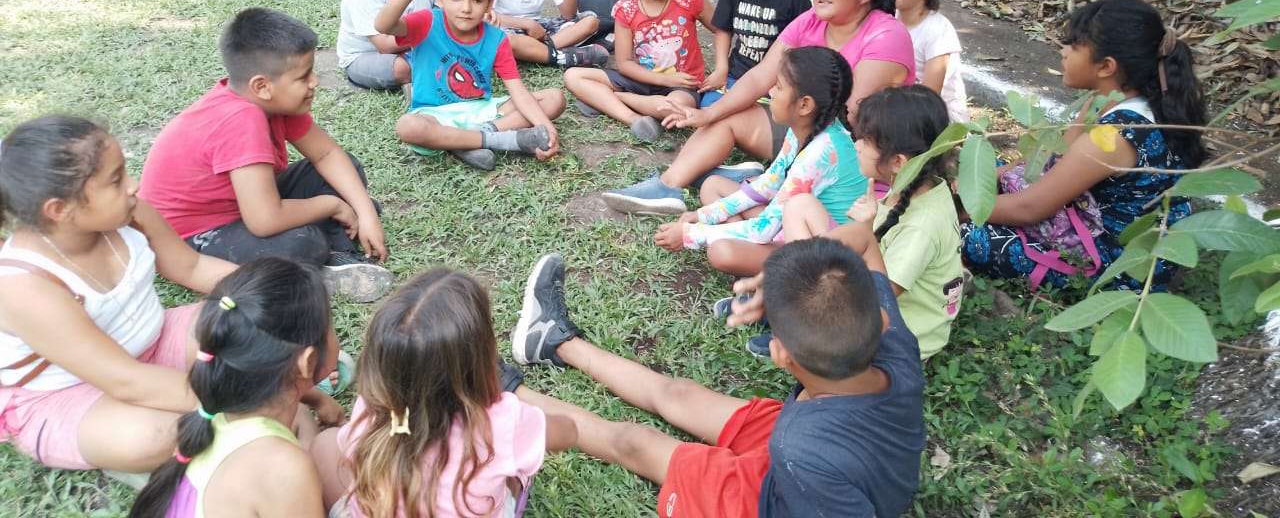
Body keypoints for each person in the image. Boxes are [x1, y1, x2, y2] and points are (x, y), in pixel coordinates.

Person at [506, 243, 925, 517]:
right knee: (679, 393)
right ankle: (554, 342)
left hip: (765, 501)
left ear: (779, 354)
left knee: (635, 443)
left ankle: (506, 395)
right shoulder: (897, 347)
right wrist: (787, 282)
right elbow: (865, 242)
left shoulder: (798, 446)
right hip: (824, 443)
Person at [0, 115, 237, 474]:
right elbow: (125, 380)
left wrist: (274, 284)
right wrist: (242, 399)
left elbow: (191, 267)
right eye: (116, 180)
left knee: (239, 317)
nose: (133, 185)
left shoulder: (129, 213)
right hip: (70, 393)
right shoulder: (25, 285)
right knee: (155, 435)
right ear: (59, 210)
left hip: (153, 345)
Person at [603, 0, 915, 214]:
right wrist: (708, 112)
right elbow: (761, 76)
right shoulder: (810, 21)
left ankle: (752, 191)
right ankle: (667, 187)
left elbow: (851, 115)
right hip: (804, 130)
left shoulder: (887, 34)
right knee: (728, 114)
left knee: (764, 201)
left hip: (856, 159)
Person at [140, 8, 393, 303]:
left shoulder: (272, 103)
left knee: (345, 167)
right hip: (192, 236)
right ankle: (321, 261)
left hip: (246, 204)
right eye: (303, 76)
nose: (315, 82)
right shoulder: (240, 119)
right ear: (262, 86)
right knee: (303, 242)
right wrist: (333, 205)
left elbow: (326, 153)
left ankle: (338, 252)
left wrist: (364, 212)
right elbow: (264, 220)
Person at [962, 0, 1208, 290]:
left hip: (1116, 262)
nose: (1062, 52)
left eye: (1073, 46)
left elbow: (1030, 208)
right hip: (1086, 219)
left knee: (964, 233)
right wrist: (988, 180)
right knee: (984, 172)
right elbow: (1049, 162)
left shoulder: (1113, 137)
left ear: (1106, 66)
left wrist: (957, 209)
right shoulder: (1107, 102)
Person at [311, 269, 576, 518]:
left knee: (325, 443)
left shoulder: (374, 410)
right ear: (480, 360)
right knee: (516, 475)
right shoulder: (500, 422)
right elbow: (567, 433)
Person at [128, 258, 344, 518]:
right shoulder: (283, 469)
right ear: (308, 361)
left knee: (312, 433)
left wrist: (318, 400)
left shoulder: (213, 415)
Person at [653, 47, 866, 281]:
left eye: (779, 87)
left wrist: (690, 234)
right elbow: (768, 185)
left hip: (820, 254)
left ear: (804, 105)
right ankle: (745, 253)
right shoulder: (804, 129)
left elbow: (765, 228)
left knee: (722, 251)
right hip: (789, 224)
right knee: (713, 186)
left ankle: (762, 273)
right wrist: (705, 216)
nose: (770, 91)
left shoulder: (822, 151)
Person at [789, 86, 963, 360]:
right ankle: (797, 311)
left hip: (897, 337)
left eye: (866, 141)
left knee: (814, 274)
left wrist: (861, 235)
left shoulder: (922, 226)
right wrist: (866, 228)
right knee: (800, 205)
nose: (856, 145)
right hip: (876, 290)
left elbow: (879, 295)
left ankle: (796, 323)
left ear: (897, 161)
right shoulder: (919, 184)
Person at [374, 0, 567, 172]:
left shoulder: (497, 38)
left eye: (476, 0)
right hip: (435, 115)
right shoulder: (428, 21)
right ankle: (498, 141)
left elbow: (517, 91)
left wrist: (546, 128)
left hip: (483, 111)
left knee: (555, 99)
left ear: (490, 3)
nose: (466, 8)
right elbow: (383, 25)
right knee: (408, 127)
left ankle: (463, 141)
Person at [564, 0, 731, 144]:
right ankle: (633, 118)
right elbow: (624, 63)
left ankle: (612, 100)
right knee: (573, 76)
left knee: (674, 110)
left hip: (681, 85)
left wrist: (721, 69)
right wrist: (663, 78)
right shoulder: (626, 9)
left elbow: (721, 28)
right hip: (641, 79)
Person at [889, 0, 969, 123]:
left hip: (930, 118)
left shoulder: (937, 31)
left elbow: (929, 98)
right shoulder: (887, 16)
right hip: (893, 106)